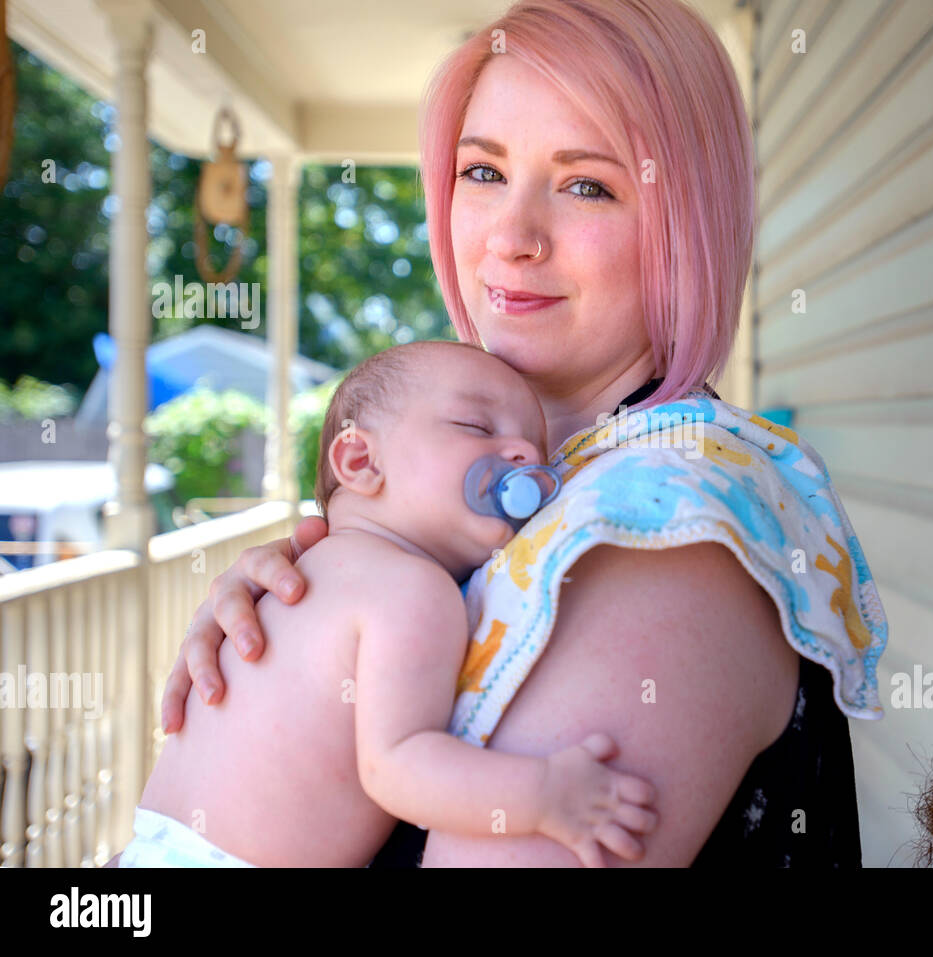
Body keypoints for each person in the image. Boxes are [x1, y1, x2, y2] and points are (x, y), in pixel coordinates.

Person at [122, 0, 888, 868]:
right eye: (482, 171)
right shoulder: (497, 500)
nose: (512, 237)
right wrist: (302, 637)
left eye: (586, 183)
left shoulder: (668, 521)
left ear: (688, 226)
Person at [118, 341, 658, 867]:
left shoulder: (300, 569)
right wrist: (547, 796)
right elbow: (399, 769)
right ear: (360, 459)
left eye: (537, 450)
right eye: (476, 427)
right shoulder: (413, 589)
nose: (524, 456)